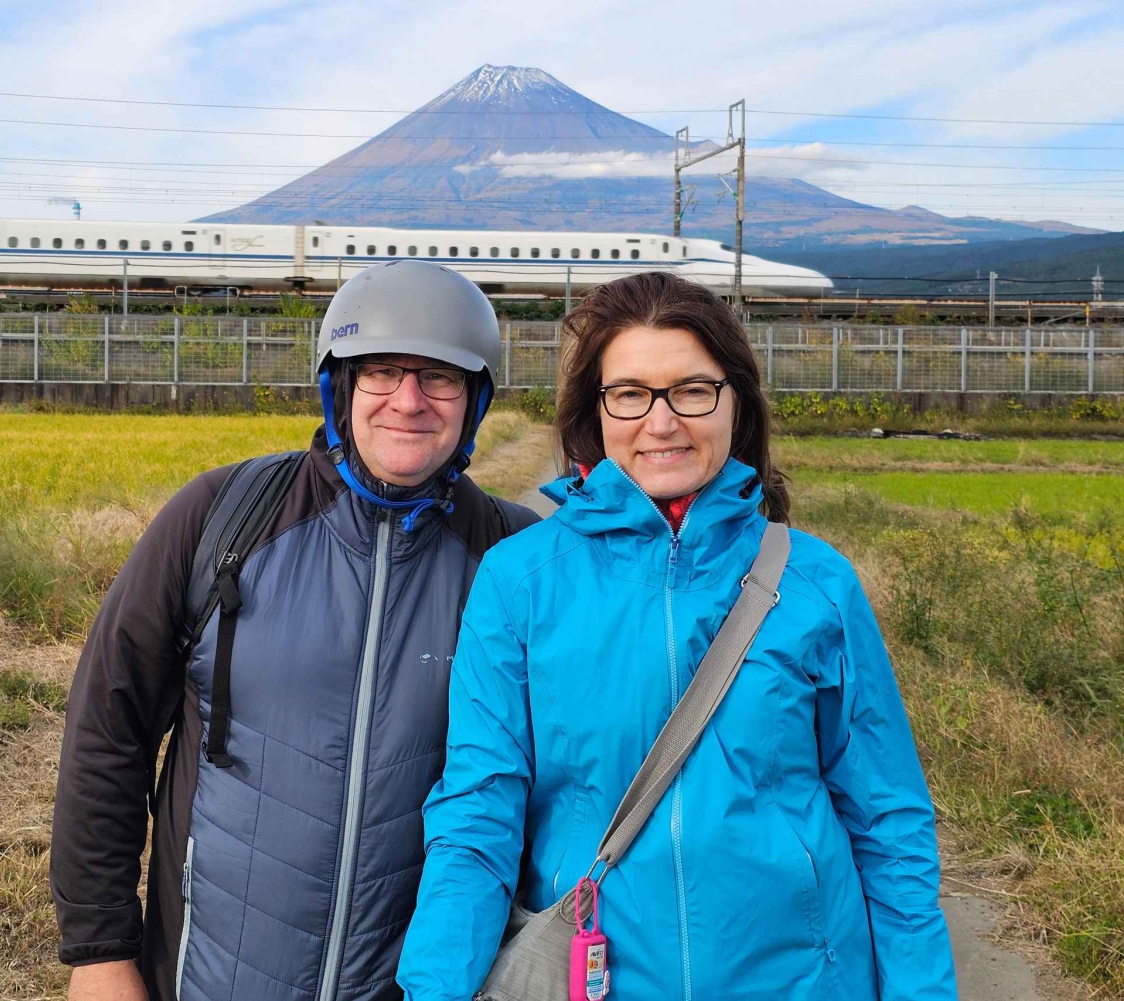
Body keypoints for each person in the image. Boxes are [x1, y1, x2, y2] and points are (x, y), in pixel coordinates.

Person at [397, 272, 957, 1001]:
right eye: (630, 393)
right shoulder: (522, 580)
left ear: (736, 400)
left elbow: (889, 821)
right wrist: (434, 987)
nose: (661, 422)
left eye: (692, 389)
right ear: (593, 410)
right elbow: (478, 812)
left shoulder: (818, 583)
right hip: (597, 980)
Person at [51, 260, 540, 1001]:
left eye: (439, 377)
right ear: (338, 386)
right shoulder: (225, 516)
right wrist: (99, 951)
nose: (408, 401)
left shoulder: (513, 561)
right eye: (380, 371)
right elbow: (107, 729)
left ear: (475, 401)